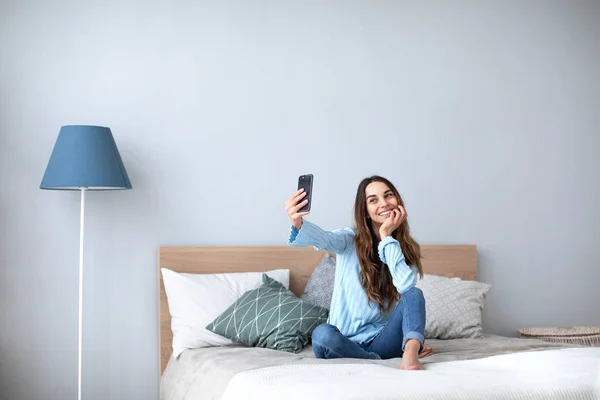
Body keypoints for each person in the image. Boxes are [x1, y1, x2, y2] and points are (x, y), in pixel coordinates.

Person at [285, 175, 434, 370]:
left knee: (414, 294)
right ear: (365, 210)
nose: (384, 203)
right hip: (343, 341)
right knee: (322, 335)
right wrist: (298, 223)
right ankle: (373, 360)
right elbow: (324, 239)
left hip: (382, 341)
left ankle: (410, 354)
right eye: (373, 200)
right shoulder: (348, 239)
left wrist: (386, 236)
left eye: (388, 196)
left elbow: (406, 287)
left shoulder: (405, 250)